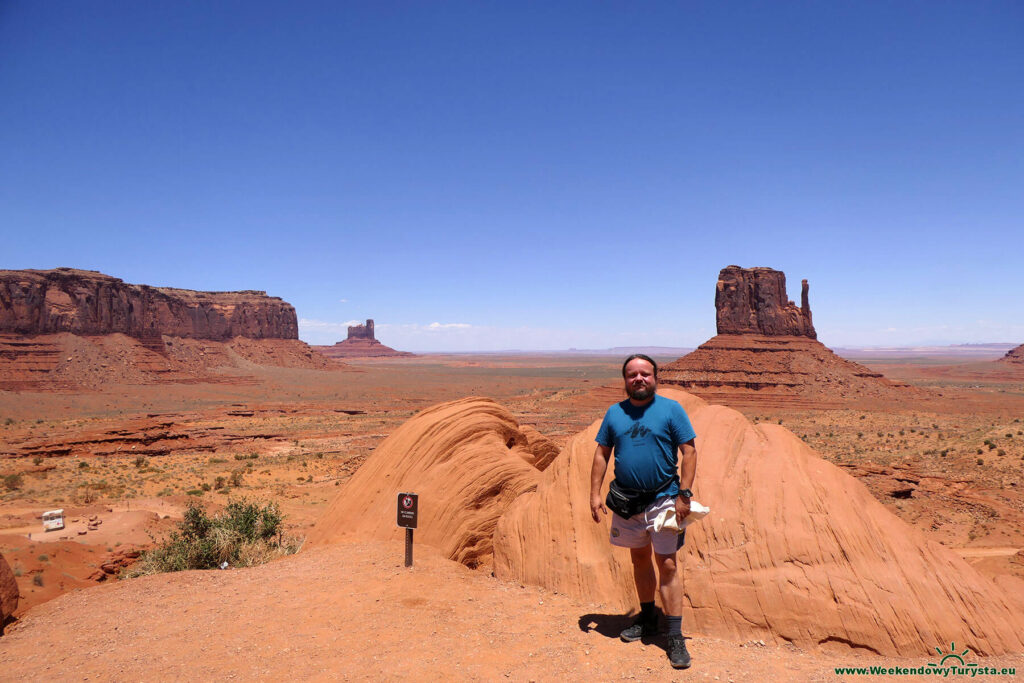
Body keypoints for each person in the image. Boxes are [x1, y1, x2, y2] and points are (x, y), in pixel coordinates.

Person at [589, 353, 697, 670]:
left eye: (645, 374)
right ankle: (648, 617)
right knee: (638, 559)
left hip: (664, 498)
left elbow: (689, 452)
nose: (639, 379)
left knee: (667, 564)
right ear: (625, 380)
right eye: (632, 374)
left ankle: (674, 636)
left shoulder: (671, 410)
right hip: (627, 502)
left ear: (654, 377)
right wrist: (594, 493)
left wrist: (684, 494)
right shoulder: (614, 413)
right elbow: (601, 454)